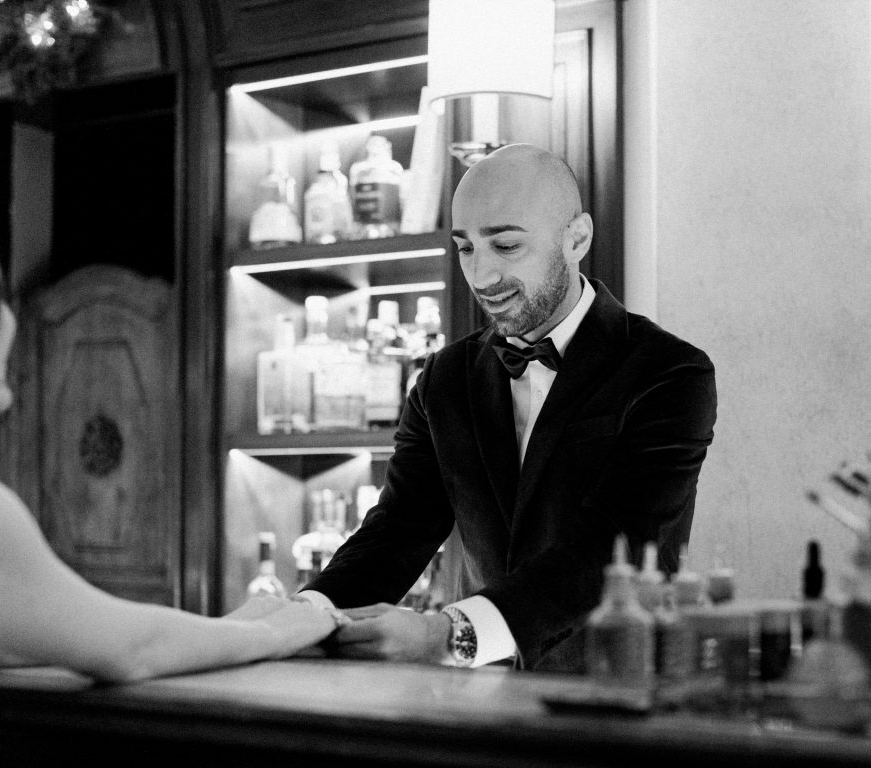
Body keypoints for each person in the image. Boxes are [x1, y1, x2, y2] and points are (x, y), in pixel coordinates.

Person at [0, 166, 339, 767]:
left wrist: (233, 626)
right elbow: (128, 646)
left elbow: (45, 627)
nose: (10, 319)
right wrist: (278, 629)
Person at [303, 144, 717, 671]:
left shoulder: (669, 372)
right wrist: (304, 616)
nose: (481, 275)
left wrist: (448, 635)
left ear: (577, 238)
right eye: (466, 248)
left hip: (621, 693)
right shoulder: (444, 379)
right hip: (481, 705)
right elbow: (396, 532)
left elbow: (609, 551)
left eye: (505, 244)